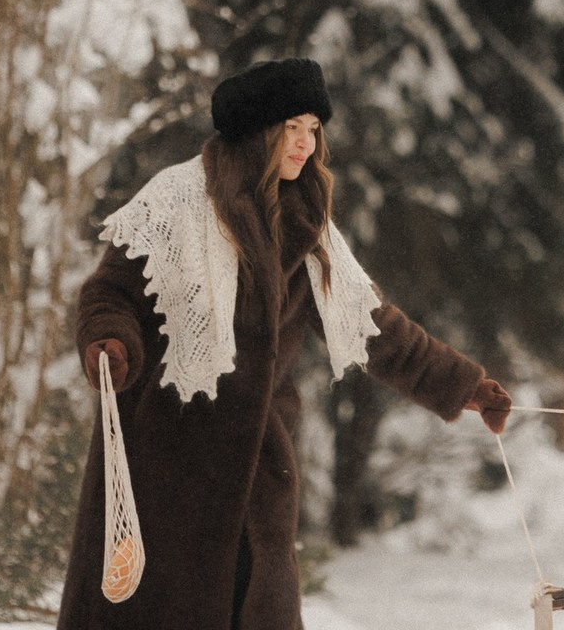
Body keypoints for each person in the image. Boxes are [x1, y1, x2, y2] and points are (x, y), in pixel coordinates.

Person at [57, 57, 513, 630]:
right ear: (258, 133)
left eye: (313, 129)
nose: (305, 143)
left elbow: (373, 324)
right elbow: (110, 293)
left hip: (258, 467)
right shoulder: (173, 203)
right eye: (291, 128)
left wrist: (461, 386)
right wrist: (112, 341)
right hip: (167, 462)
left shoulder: (306, 222)